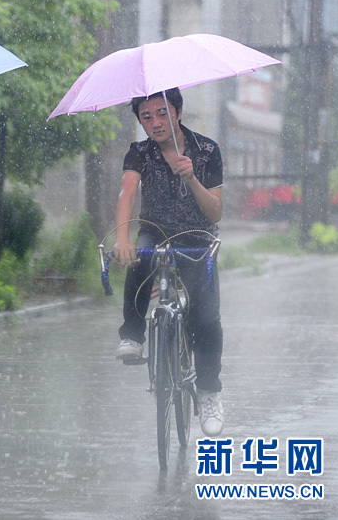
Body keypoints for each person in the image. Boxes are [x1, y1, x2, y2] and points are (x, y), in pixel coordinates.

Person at [111, 88, 226, 437]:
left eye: (162, 113)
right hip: (156, 233)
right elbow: (127, 192)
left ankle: (208, 392)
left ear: (177, 111)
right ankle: (133, 335)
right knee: (140, 257)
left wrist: (191, 177)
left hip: (197, 238)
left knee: (206, 317)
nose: (155, 122)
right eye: (146, 117)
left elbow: (215, 212)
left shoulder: (207, 150)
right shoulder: (139, 153)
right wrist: (122, 238)